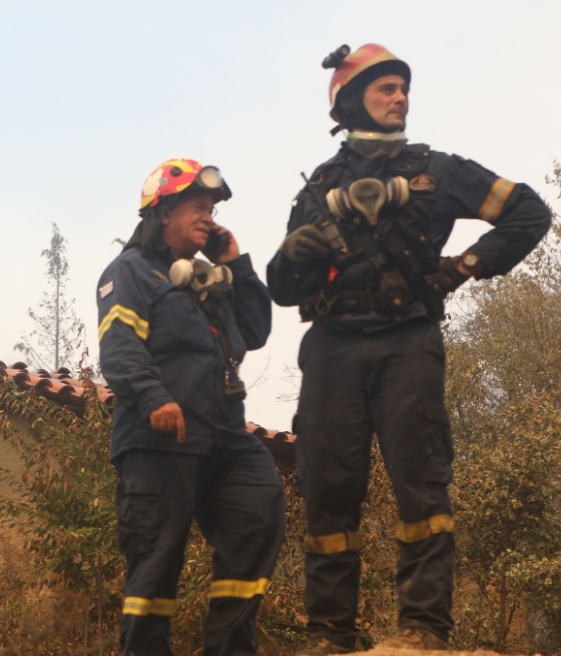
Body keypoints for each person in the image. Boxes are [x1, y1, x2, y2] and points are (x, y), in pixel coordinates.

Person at [267, 44, 552, 654]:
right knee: (326, 489)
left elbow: (529, 212)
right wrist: (297, 251)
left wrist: (467, 265)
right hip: (331, 348)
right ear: (349, 102)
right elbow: (281, 288)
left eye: (403, 89)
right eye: (384, 89)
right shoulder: (319, 187)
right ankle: (329, 634)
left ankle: (422, 628)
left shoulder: (436, 170)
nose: (400, 98)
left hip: (408, 342)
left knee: (421, 482)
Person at [98, 158, 284, 656]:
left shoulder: (208, 281)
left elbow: (257, 332)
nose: (208, 216)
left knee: (259, 515)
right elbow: (119, 346)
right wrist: (155, 397)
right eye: (197, 207)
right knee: (156, 567)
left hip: (225, 437)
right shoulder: (130, 273)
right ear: (163, 214)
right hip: (159, 441)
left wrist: (236, 263)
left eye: (211, 209)